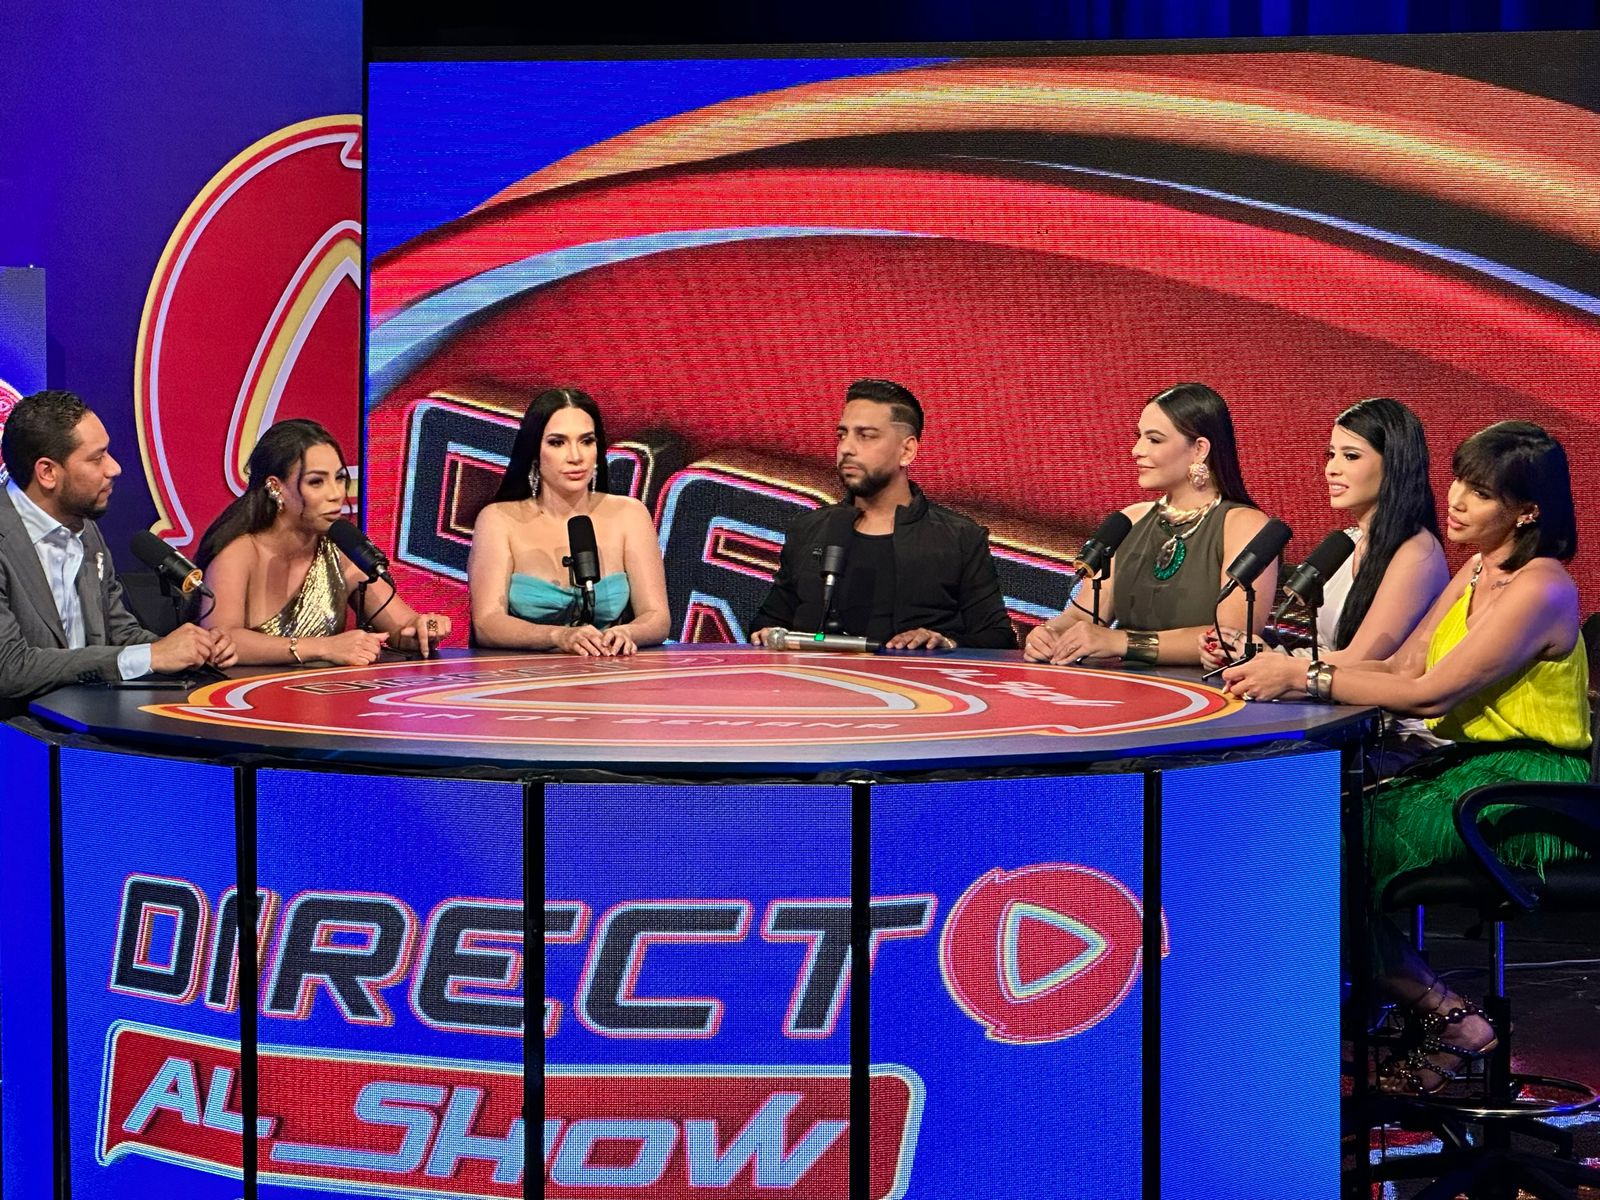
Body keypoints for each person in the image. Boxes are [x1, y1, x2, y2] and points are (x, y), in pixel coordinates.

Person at [1222, 421, 1589, 1094]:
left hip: (1527, 787)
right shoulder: (1477, 567)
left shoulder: (1543, 587)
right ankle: (1378, 1004)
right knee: (1291, 840)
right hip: (1468, 770)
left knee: (1315, 855)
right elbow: (1400, 665)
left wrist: (1305, 678)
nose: (1456, 500)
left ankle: (1451, 1017)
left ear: (1527, 511)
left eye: (1480, 493)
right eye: (1459, 482)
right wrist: (1281, 666)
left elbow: (1430, 692)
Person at [1200, 398, 1451, 740]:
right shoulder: (1348, 542)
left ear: (1394, 464)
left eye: (1351, 456)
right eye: (1331, 455)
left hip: (1390, 736)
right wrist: (1254, 653)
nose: (1332, 468)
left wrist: (1284, 670)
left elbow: (1362, 660)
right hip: (1332, 714)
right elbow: (1324, 653)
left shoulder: (1417, 552)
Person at [0, 390, 234, 715]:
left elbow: (118, 633)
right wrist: (152, 656)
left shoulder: (85, 528)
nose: (114, 468)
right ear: (48, 472)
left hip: (90, 720)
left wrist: (190, 650)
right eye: (97, 459)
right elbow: (9, 668)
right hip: (18, 734)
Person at [750, 378, 1015, 650]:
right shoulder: (809, 529)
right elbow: (767, 623)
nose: (846, 448)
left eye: (865, 435)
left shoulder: (960, 538)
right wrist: (767, 634)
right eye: (842, 435)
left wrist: (946, 642)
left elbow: (998, 638)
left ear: (907, 450)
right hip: (815, 676)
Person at [1023, 382, 1276, 667]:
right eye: (1139, 437)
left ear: (1199, 449)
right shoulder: (1130, 520)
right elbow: (1083, 616)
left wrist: (1122, 642)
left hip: (1209, 689)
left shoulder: (1245, 525)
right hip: (1122, 685)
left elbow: (1230, 639)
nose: (1136, 450)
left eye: (1154, 440)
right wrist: (1050, 633)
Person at [198, 419, 452, 665]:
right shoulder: (239, 553)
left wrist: (424, 628)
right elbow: (220, 640)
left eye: (339, 478)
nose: (336, 494)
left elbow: (402, 627)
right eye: (316, 482)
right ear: (276, 488)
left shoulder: (339, 551)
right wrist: (324, 648)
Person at [468, 388, 668, 655]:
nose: (576, 456)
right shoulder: (498, 520)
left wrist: (626, 633)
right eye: (557, 443)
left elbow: (656, 617)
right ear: (534, 451)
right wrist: (558, 636)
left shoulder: (630, 515)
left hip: (607, 670)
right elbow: (487, 623)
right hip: (525, 674)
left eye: (586, 441)